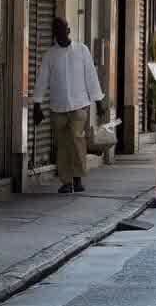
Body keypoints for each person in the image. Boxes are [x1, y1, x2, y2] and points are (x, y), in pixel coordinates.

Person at [32, 17, 105, 194]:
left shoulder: (82, 50)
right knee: (63, 145)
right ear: (54, 34)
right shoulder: (50, 55)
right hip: (58, 107)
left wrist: (98, 101)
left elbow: (91, 76)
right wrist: (37, 104)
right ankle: (66, 181)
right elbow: (42, 80)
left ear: (69, 31)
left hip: (79, 106)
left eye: (62, 29)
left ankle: (78, 178)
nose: (59, 33)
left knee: (76, 138)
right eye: (56, 31)